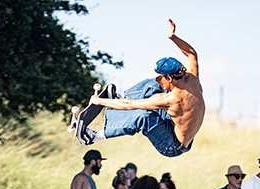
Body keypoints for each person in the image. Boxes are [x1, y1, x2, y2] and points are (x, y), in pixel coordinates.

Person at [80, 19, 205, 158]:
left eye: (161, 77)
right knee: (153, 85)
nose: (158, 79)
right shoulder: (192, 77)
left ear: (169, 78)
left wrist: (99, 101)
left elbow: (130, 105)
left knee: (144, 115)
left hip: (173, 145)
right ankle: (118, 98)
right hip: (179, 127)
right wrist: (173, 37)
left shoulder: (171, 100)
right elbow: (191, 53)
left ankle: (94, 137)